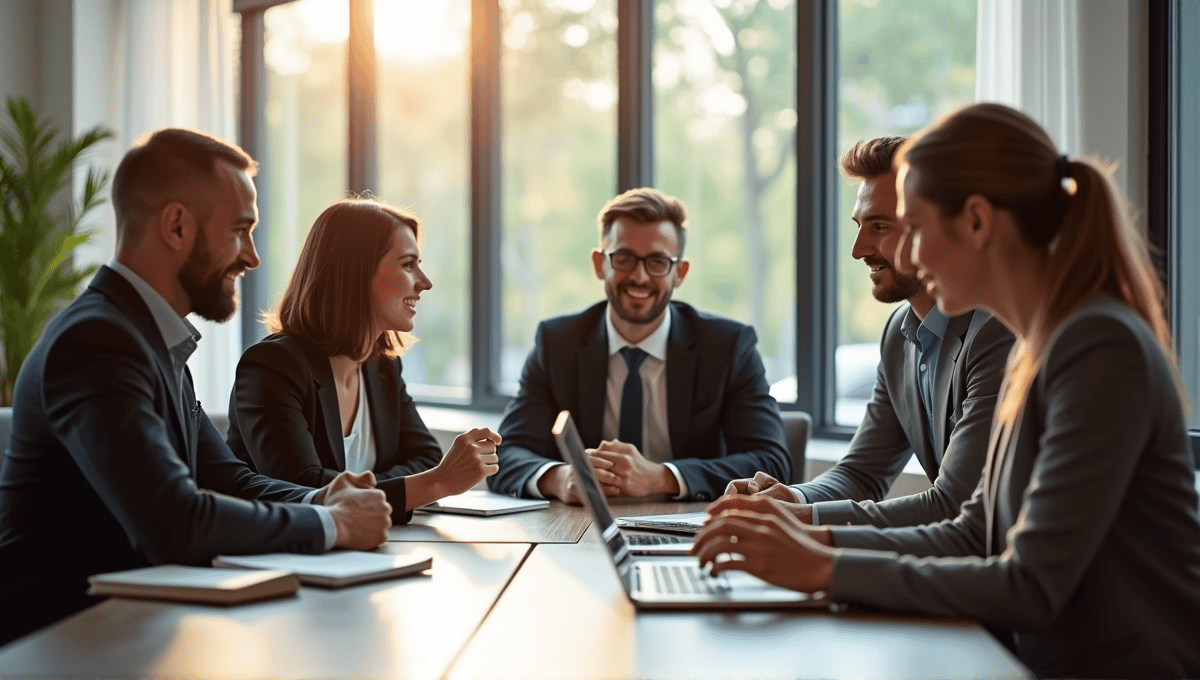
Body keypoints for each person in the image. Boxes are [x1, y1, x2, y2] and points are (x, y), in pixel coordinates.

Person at [694, 103, 1200, 678]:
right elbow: (972, 532)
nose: (904, 255)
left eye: (913, 228)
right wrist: (809, 542)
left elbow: (1030, 585)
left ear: (978, 222)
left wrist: (822, 566)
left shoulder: (1096, 345)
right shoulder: (1044, 344)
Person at [0, 129, 392, 646]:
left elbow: (228, 479)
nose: (251, 257)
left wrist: (324, 498)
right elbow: (172, 520)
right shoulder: (96, 341)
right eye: (240, 230)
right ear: (177, 225)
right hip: (63, 642)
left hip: (132, 625)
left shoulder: (151, 339)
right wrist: (332, 526)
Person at [725, 136, 1014, 528]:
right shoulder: (899, 335)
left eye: (880, 226)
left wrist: (803, 518)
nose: (858, 249)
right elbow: (862, 474)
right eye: (859, 226)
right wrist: (790, 497)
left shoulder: (997, 333)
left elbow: (955, 506)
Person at [488, 188, 789, 504]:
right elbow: (505, 454)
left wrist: (662, 477)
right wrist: (560, 478)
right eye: (624, 258)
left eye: (658, 261)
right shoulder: (557, 343)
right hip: (579, 528)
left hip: (691, 532)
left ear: (680, 273)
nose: (639, 276)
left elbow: (772, 463)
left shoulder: (728, 347)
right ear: (599, 264)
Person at [226, 199, 501, 516]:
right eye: (408, 265)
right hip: (288, 556)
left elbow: (425, 457)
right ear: (355, 272)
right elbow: (301, 489)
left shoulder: (380, 366)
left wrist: (364, 493)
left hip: (366, 549)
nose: (425, 282)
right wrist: (435, 484)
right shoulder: (271, 366)